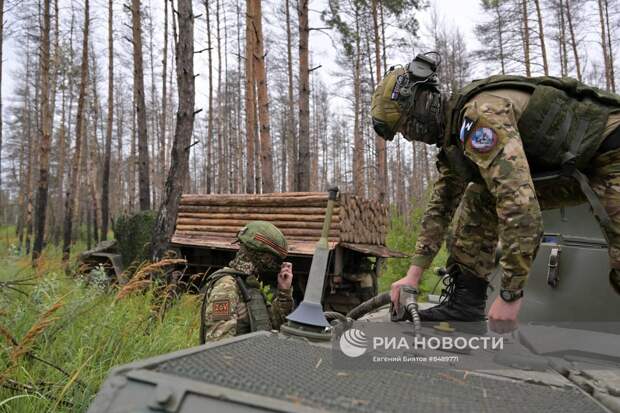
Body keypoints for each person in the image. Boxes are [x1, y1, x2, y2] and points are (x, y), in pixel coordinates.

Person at [371, 53, 620, 331]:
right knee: (480, 197)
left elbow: (519, 205)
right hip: (578, 167)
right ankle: (465, 305)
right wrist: (413, 275)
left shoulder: (480, 116)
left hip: (611, 152)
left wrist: (510, 295)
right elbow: (440, 208)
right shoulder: (456, 138)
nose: (410, 136)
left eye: (406, 126)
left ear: (421, 105)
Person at [200, 221, 294, 343]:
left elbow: (271, 325)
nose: (275, 264)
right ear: (261, 255)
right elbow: (218, 346)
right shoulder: (226, 286)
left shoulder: (249, 284)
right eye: (273, 258)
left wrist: (284, 291)